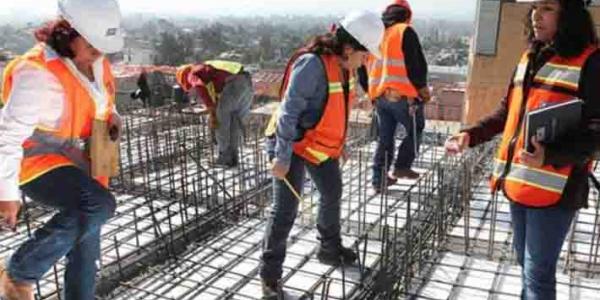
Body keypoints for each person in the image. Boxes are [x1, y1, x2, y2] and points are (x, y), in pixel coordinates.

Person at [445, 0, 599, 299]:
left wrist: (550, 155)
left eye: (548, 8)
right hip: (518, 183)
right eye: (534, 7)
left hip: (557, 190)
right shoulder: (530, 56)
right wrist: (470, 134)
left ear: (569, 15)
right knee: (527, 268)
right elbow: (507, 113)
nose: (536, 15)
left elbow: (595, 135)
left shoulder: (591, 63)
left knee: (538, 274)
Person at [0, 0, 123, 299]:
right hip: (33, 163)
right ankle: (19, 273)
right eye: (92, 45)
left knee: (87, 243)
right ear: (68, 35)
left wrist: (113, 118)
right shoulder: (37, 73)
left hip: (73, 160)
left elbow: (101, 101)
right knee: (98, 206)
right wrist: (6, 196)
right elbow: (7, 137)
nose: (99, 53)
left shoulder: (97, 63)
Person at [261, 10, 384, 299]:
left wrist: (341, 147)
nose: (365, 61)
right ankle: (270, 277)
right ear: (349, 48)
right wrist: (281, 156)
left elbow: (335, 110)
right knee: (285, 211)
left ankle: (329, 248)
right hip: (288, 141)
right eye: (365, 55)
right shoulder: (312, 64)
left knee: (332, 191)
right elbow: (288, 114)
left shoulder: (343, 66)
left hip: (316, 144)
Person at [365, 0, 431, 193]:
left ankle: (379, 180)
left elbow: (363, 68)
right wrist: (422, 89)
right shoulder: (404, 31)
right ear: (407, 15)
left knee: (385, 139)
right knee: (415, 128)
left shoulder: (375, 35)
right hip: (403, 97)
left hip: (380, 98)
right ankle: (402, 166)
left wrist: (371, 94)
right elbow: (415, 64)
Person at [176, 60, 254, 167]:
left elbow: (199, 86)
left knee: (221, 120)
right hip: (247, 83)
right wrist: (213, 107)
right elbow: (217, 94)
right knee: (234, 121)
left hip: (234, 83)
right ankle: (232, 157)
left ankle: (224, 158)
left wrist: (210, 107)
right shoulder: (209, 71)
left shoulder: (192, 73)